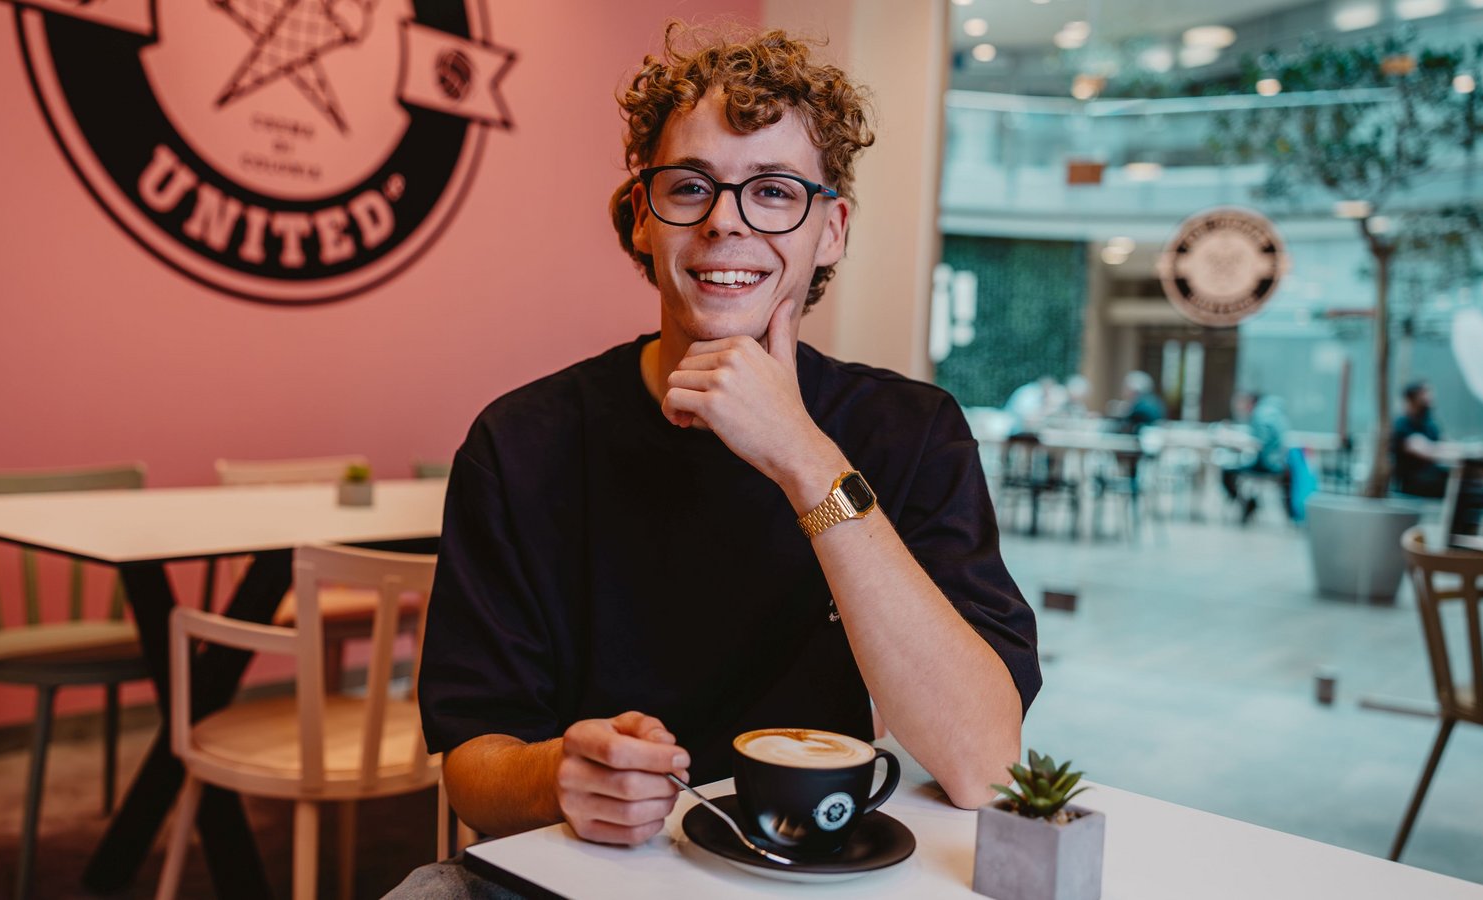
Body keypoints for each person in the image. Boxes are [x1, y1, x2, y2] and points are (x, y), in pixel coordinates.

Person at [391, 24, 1041, 897]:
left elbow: (985, 764)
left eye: (772, 191)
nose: (724, 219)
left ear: (831, 230)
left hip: (812, 867)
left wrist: (804, 458)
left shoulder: (911, 431)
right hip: (585, 866)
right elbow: (474, 761)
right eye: (690, 186)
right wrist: (558, 778)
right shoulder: (520, 442)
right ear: (641, 217)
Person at [1219, 391, 1292, 524]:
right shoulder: (1275, 412)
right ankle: (1249, 503)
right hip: (1278, 463)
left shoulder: (1261, 415)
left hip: (1265, 464)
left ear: (1249, 402)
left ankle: (1247, 503)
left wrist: (1238, 442)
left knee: (1227, 470)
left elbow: (1260, 443)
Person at [1390, 381, 1448, 498]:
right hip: (1413, 483)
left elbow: (1444, 444)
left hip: (1434, 477)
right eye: (1424, 394)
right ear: (1411, 399)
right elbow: (1425, 450)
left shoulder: (1430, 424)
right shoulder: (1402, 424)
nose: (1429, 397)